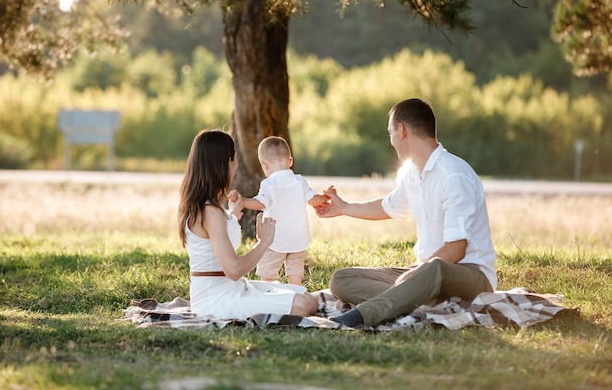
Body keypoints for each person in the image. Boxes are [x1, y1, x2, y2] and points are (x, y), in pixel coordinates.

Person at [316, 98, 497, 327]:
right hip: (425, 271)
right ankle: (411, 299)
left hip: (470, 275)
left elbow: (456, 249)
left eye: (390, 132)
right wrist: (343, 207)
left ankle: (364, 315)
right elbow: (386, 206)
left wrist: (413, 277)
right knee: (341, 279)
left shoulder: (453, 176)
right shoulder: (412, 173)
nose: (390, 140)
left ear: (401, 131)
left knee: (435, 268)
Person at [177, 129, 318, 320]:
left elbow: (216, 239)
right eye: (234, 158)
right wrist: (264, 242)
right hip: (218, 300)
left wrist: (233, 215)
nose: (237, 163)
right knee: (304, 305)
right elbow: (234, 270)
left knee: (305, 296)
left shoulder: (212, 209)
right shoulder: (210, 212)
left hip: (236, 288)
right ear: (226, 162)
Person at [230, 136, 328, 285]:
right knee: (295, 271)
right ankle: (295, 291)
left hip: (275, 239)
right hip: (298, 239)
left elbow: (259, 203)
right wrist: (326, 197)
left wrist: (242, 201)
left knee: (268, 271)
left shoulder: (268, 184)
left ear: (264, 165)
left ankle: (269, 291)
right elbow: (313, 200)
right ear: (290, 161)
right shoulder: (299, 181)